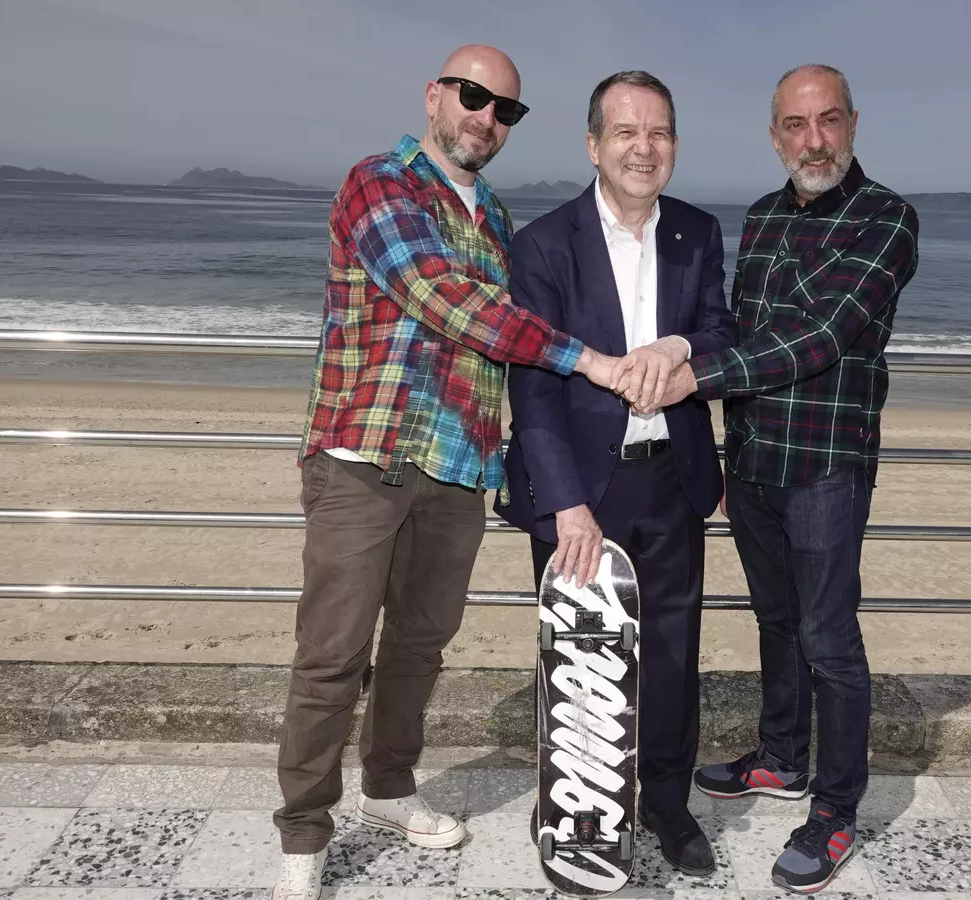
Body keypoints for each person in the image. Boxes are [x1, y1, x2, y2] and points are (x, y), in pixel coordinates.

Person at [270, 45, 629, 900]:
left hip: (461, 465)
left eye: (506, 109)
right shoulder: (380, 182)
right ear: (435, 95)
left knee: (419, 647)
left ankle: (389, 788)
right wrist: (593, 361)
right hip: (365, 453)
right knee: (333, 653)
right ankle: (304, 835)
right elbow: (446, 300)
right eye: (473, 96)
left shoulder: (497, 218)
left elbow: (509, 339)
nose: (486, 118)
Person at [643, 63, 920, 893]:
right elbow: (739, 327)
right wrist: (722, 444)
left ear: (853, 125)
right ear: (775, 136)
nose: (814, 140)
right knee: (776, 620)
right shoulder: (762, 216)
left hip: (827, 465)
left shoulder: (887, 219)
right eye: (796, 125)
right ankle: (781, 756)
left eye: (828, 120)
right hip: (756, 462)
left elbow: (821, 335)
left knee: (829, 639)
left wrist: (692, 377)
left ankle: (834, 811)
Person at [497, 70, 737, 876]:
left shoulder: (698, 231)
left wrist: (678, 347)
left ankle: (667, 801)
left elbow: (720, 332)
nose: (645, 148)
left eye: (659, 132)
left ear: (675, 145)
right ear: (593, 145)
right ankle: (573, 802)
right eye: (627, 132)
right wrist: (564, 503)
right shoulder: (542, 244)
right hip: (580, 492)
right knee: (578, 655)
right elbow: (532, 384)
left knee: (672, 653)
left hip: (673, 476)